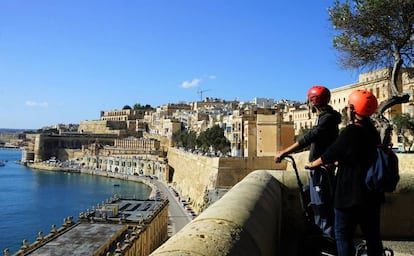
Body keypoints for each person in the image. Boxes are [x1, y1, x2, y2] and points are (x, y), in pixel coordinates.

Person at [306, 90, 384, 256]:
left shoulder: (352, 131)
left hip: (350, 195)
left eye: (348, 107)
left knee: (343, 235)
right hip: (371, 195)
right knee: (372, 237)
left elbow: (331, 153)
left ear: (354, 109)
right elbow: (358, 156)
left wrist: (313, 164)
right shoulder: (373, 131)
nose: (347, 110)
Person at [274, 85, 341, 238]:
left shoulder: (327, 119)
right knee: (318, 205)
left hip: (321, 169)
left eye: (309, 101)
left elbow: (308, 138)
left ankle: (326, 242)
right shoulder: (327, 117)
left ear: (313, 101)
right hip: (321, 168)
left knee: (321, 206)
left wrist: (284, 152)